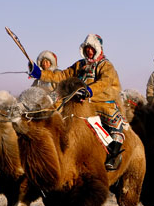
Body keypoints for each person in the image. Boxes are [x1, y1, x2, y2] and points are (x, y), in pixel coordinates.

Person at [28, 34, 126, 170]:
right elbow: (62, 75)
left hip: (101, 100)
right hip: (80, 100)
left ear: (97, 49)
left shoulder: (106, 65)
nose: (89, 51)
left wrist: (89, 91)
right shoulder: (80, 65)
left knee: (114, 122)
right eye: (87, 49)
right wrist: (40, 74)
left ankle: (114, 155)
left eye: (91, 49)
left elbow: (105, 82)